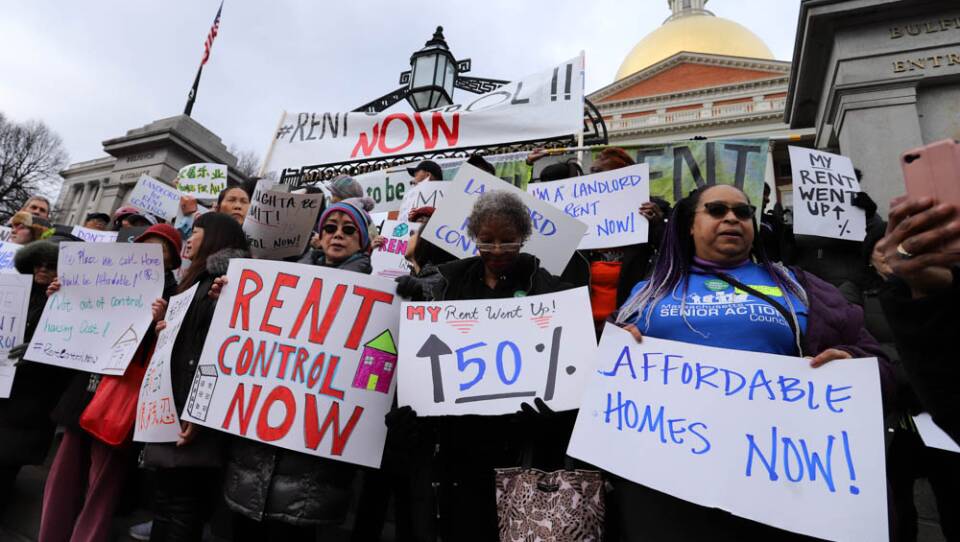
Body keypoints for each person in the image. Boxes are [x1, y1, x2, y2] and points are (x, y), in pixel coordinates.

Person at [611, 184, 894, 541]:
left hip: (780, 476)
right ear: (688, 224)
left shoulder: (800, 286)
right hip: (670, 481)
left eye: (743, 212)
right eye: (716, 210)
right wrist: (619, 348)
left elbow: (879, 362)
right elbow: (606, 375)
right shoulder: (648, 291)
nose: (732, 218)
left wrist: (851, 362)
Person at [391, 191, 572, 541]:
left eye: (508, 240)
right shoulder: (445, 287)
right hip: (458, 444)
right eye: (487, 241)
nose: (498, 250)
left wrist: (555, 413)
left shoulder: (549, 289)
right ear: (474, 237)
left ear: (523, 236)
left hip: (519, 443)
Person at [221, 201, 373, 541]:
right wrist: (227, 298)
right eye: (330, 228)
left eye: (349, 230)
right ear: (317, 237)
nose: (338, 235)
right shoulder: (281, 281)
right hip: (256, 445)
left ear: (363, 241)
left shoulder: (379, 298)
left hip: (313, 458)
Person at [38, 225, 183, 542]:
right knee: (62, 477)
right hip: (84, 393)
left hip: (119, 402)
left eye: (160, 249)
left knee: (102, 484)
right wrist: (62, 295)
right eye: (145, 246)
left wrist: (161, 321)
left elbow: (165, 353)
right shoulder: (107, 278)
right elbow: (76, 322)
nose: (149, 254)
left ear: (172, 260)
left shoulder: (175, 298)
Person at [139, 213, 249, 542]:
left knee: (182, 509)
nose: (188, 236)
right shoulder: (195, 281)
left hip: (191, 414)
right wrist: (163, 324)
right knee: (166, 503)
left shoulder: (222, 286)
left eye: (196, 230)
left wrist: (198, 413)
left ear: (213, 237)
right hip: (176, 407)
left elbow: (214, 353)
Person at [561, 147, 666, 336]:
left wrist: (657, 226)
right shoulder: (578, 215)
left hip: (631, 328)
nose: (592, 177)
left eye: (599, 173)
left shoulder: (650, 217)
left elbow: (671, 257)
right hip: (580, 329)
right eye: (591, 172)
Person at [0, 241, 71, 513]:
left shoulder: (66, 301)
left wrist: (38, 350)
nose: (42, 269)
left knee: (7, 460)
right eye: (37, 263)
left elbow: (70, 346)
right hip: (5, 385)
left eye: (50, 265)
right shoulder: (12, 292)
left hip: (33, 394)